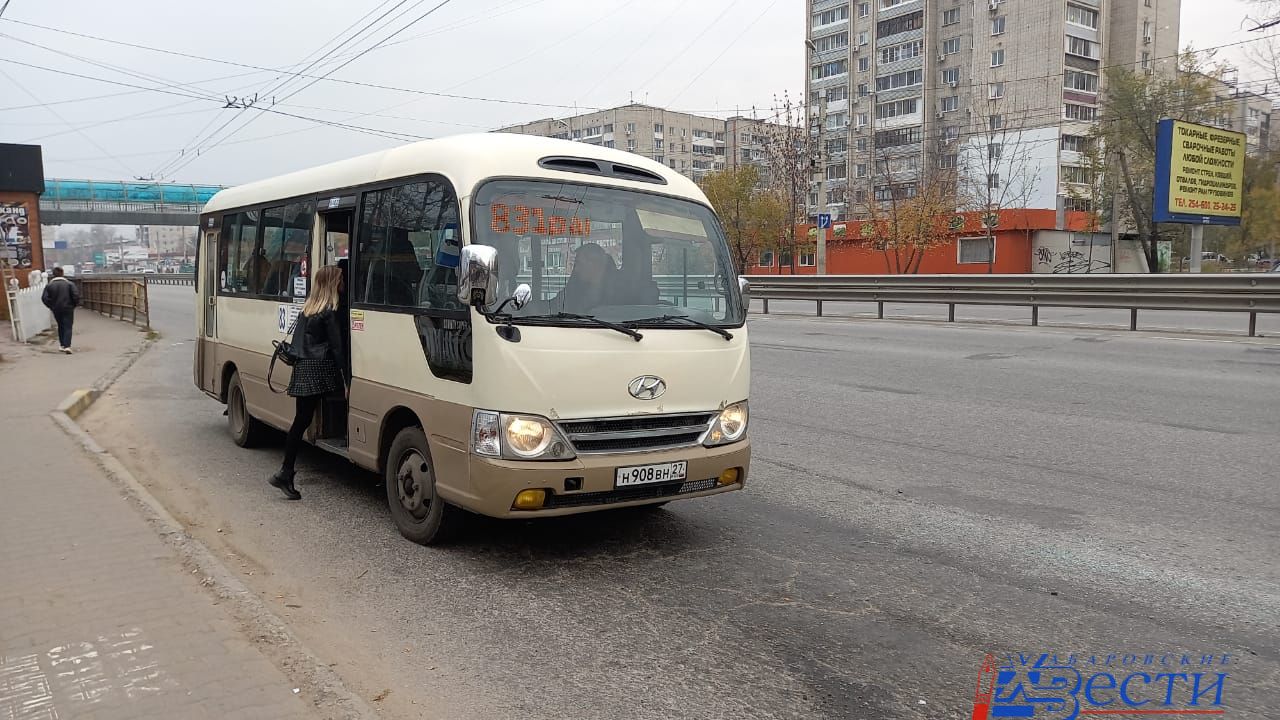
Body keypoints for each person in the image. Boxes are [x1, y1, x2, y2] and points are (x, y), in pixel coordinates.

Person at [269, 265, 348, 500]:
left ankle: (285, 472)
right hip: (319, 369)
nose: (344, 283)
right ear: (334, 283)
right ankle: (285, 471)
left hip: (303, 368)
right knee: (340, 403)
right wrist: (346, 377)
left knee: (300, 421)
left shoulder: (308, 308)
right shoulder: (329, 311)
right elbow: (337, 347)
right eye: (341, 279)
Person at [551, 242, 617, 314]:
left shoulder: (620, 290)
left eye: (579, 264)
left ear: (595, 264)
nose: (576, 269)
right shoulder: (574, 286)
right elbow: (554, 305)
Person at [41, 267, 80, 354]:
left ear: (53, 274)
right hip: (68, 308)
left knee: (60, 325)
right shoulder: (69, 284)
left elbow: (44, 298)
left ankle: (62, 344)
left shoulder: (49, 285)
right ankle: (67, 346)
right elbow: (76, 296)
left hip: (56, 309)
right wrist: (74, 305)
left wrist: (51, 306)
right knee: (68, 326)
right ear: (62, 273)